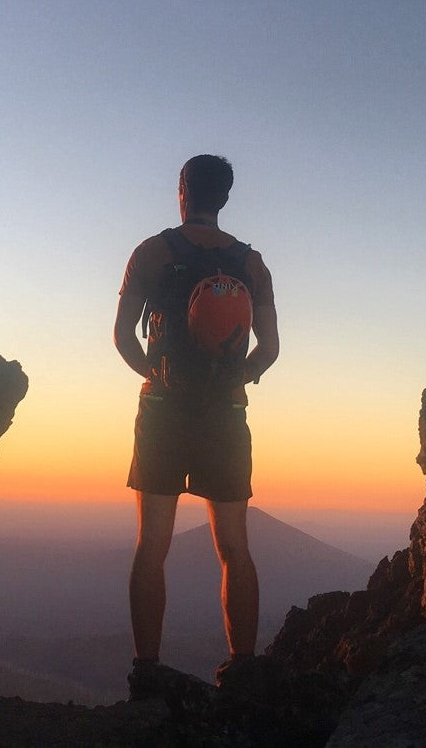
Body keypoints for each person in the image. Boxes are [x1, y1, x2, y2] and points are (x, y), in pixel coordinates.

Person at [112, 154, 280, 697]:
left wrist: (154, 374)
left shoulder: (152, 252)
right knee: (234, 545)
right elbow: (270, 348)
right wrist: (237, 378)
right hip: (226, 415)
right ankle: (244, 666)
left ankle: (148, 669)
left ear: (182, 190)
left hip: (162, 412)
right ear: (225, 198)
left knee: (151, 545)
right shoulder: (252, 265)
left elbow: (122, 337)